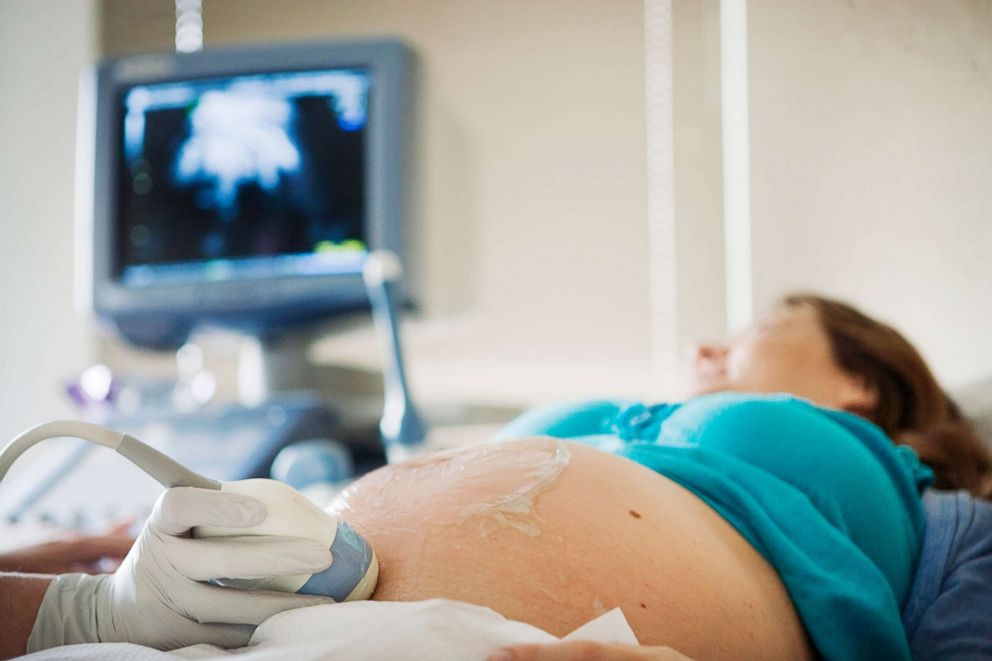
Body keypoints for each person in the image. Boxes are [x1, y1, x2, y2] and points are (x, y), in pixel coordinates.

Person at [3, 293, 990, 659]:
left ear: (861, 376)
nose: (702, 345)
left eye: (744, 337)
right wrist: (100, 600)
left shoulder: (938, 511)